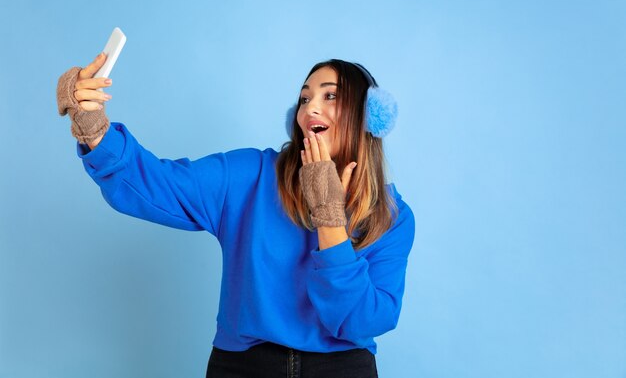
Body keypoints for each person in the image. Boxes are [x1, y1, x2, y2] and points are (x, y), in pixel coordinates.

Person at [57, 53, 415, 378]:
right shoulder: (250, 175)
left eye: (330, 96)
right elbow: (157, 185)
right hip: (244, 366)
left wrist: (329, 215)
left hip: (342, 369)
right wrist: (92, 125)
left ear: (367, 116)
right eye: (305, 98)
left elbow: (361, 321)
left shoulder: (392, 216)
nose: (310, 108)